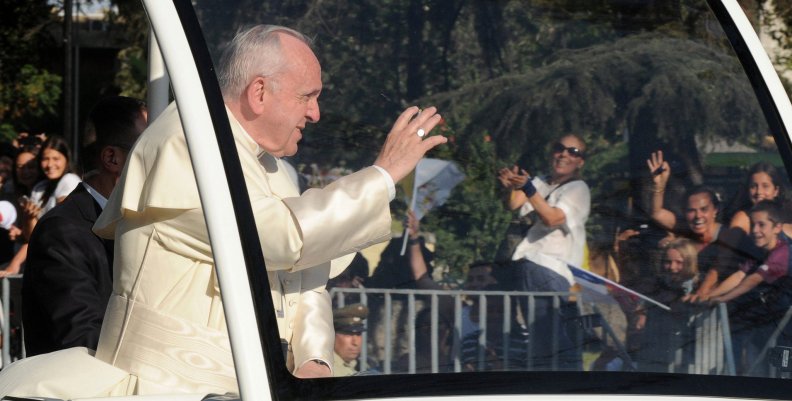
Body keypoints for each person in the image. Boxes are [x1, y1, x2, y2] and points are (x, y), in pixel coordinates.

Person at [0, 24, 450, 398]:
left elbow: (307, 275)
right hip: (167, 386)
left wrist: (314, 356)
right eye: (307, 96)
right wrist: (382, 174)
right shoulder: (186, 142)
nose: (316, 113)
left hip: (259, 385)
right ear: (258, 92)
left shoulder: (273, 167)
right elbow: (278, 238)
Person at [22, 96, 147, 357]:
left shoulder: (133, 224)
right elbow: (81, 337)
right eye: (149, 150)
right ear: (112, 158)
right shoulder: (63, 231)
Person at [497, 134, 591, 370]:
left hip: (548, 268)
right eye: (559, 148)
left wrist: (527, 187)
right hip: (527, 266)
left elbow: (551, 218)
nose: (564, 154)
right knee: (546, 343)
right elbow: (513, 204)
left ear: (581, 162)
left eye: (573, 152)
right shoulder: (541, 181)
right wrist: (511, 185)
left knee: (549, 344)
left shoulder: (578, 188)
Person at [646, 150, 753, 301]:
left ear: (715, 210)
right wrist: (659, 184)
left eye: (704, 210)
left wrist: (701, 294)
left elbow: (718, 269)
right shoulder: (686, 229)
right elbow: (657, 213)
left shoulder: (727, 235)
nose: (698, 217)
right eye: (691, 211)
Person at [709, 201, 792, 374]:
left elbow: (753, 279)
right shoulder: (759, 251)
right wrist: (709, 295)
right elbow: (740, 275)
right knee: (762, 364)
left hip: (786, 323)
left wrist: (723, 298)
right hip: (772, 320)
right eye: (753, 224)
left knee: (781, 369)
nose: (755, 230)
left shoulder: (782, 253)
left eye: (762, 225)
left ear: (777, 228)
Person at [0, 137, 80, 278]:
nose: (50, 164)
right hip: (43, 264)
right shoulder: (39, 188)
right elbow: (31, 237)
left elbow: (61, 230)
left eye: (56, 159)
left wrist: (14, 264)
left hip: (67, 264)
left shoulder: (69, 180)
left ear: (66, 159)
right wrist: (30, 218)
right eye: (45, 159)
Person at [634, 238, 700, 372]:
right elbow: (646, 297)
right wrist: (643, 312)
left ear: (689, 262)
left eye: (679, 262)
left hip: (687, 348)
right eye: (668, 262)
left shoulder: (696, 284)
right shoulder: (661, 281)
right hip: (659, 344)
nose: (672, 267)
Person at [725, 162, 786, 234]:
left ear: (776, 190)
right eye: (753, 186)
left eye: (765, 186)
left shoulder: (785, 215)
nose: (759, 192)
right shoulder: (742, 219)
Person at [333, 303, 369, 376]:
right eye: (348, 334)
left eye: (358, 334)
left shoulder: (361, 365)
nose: (355, 343)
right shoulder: (326, 370)